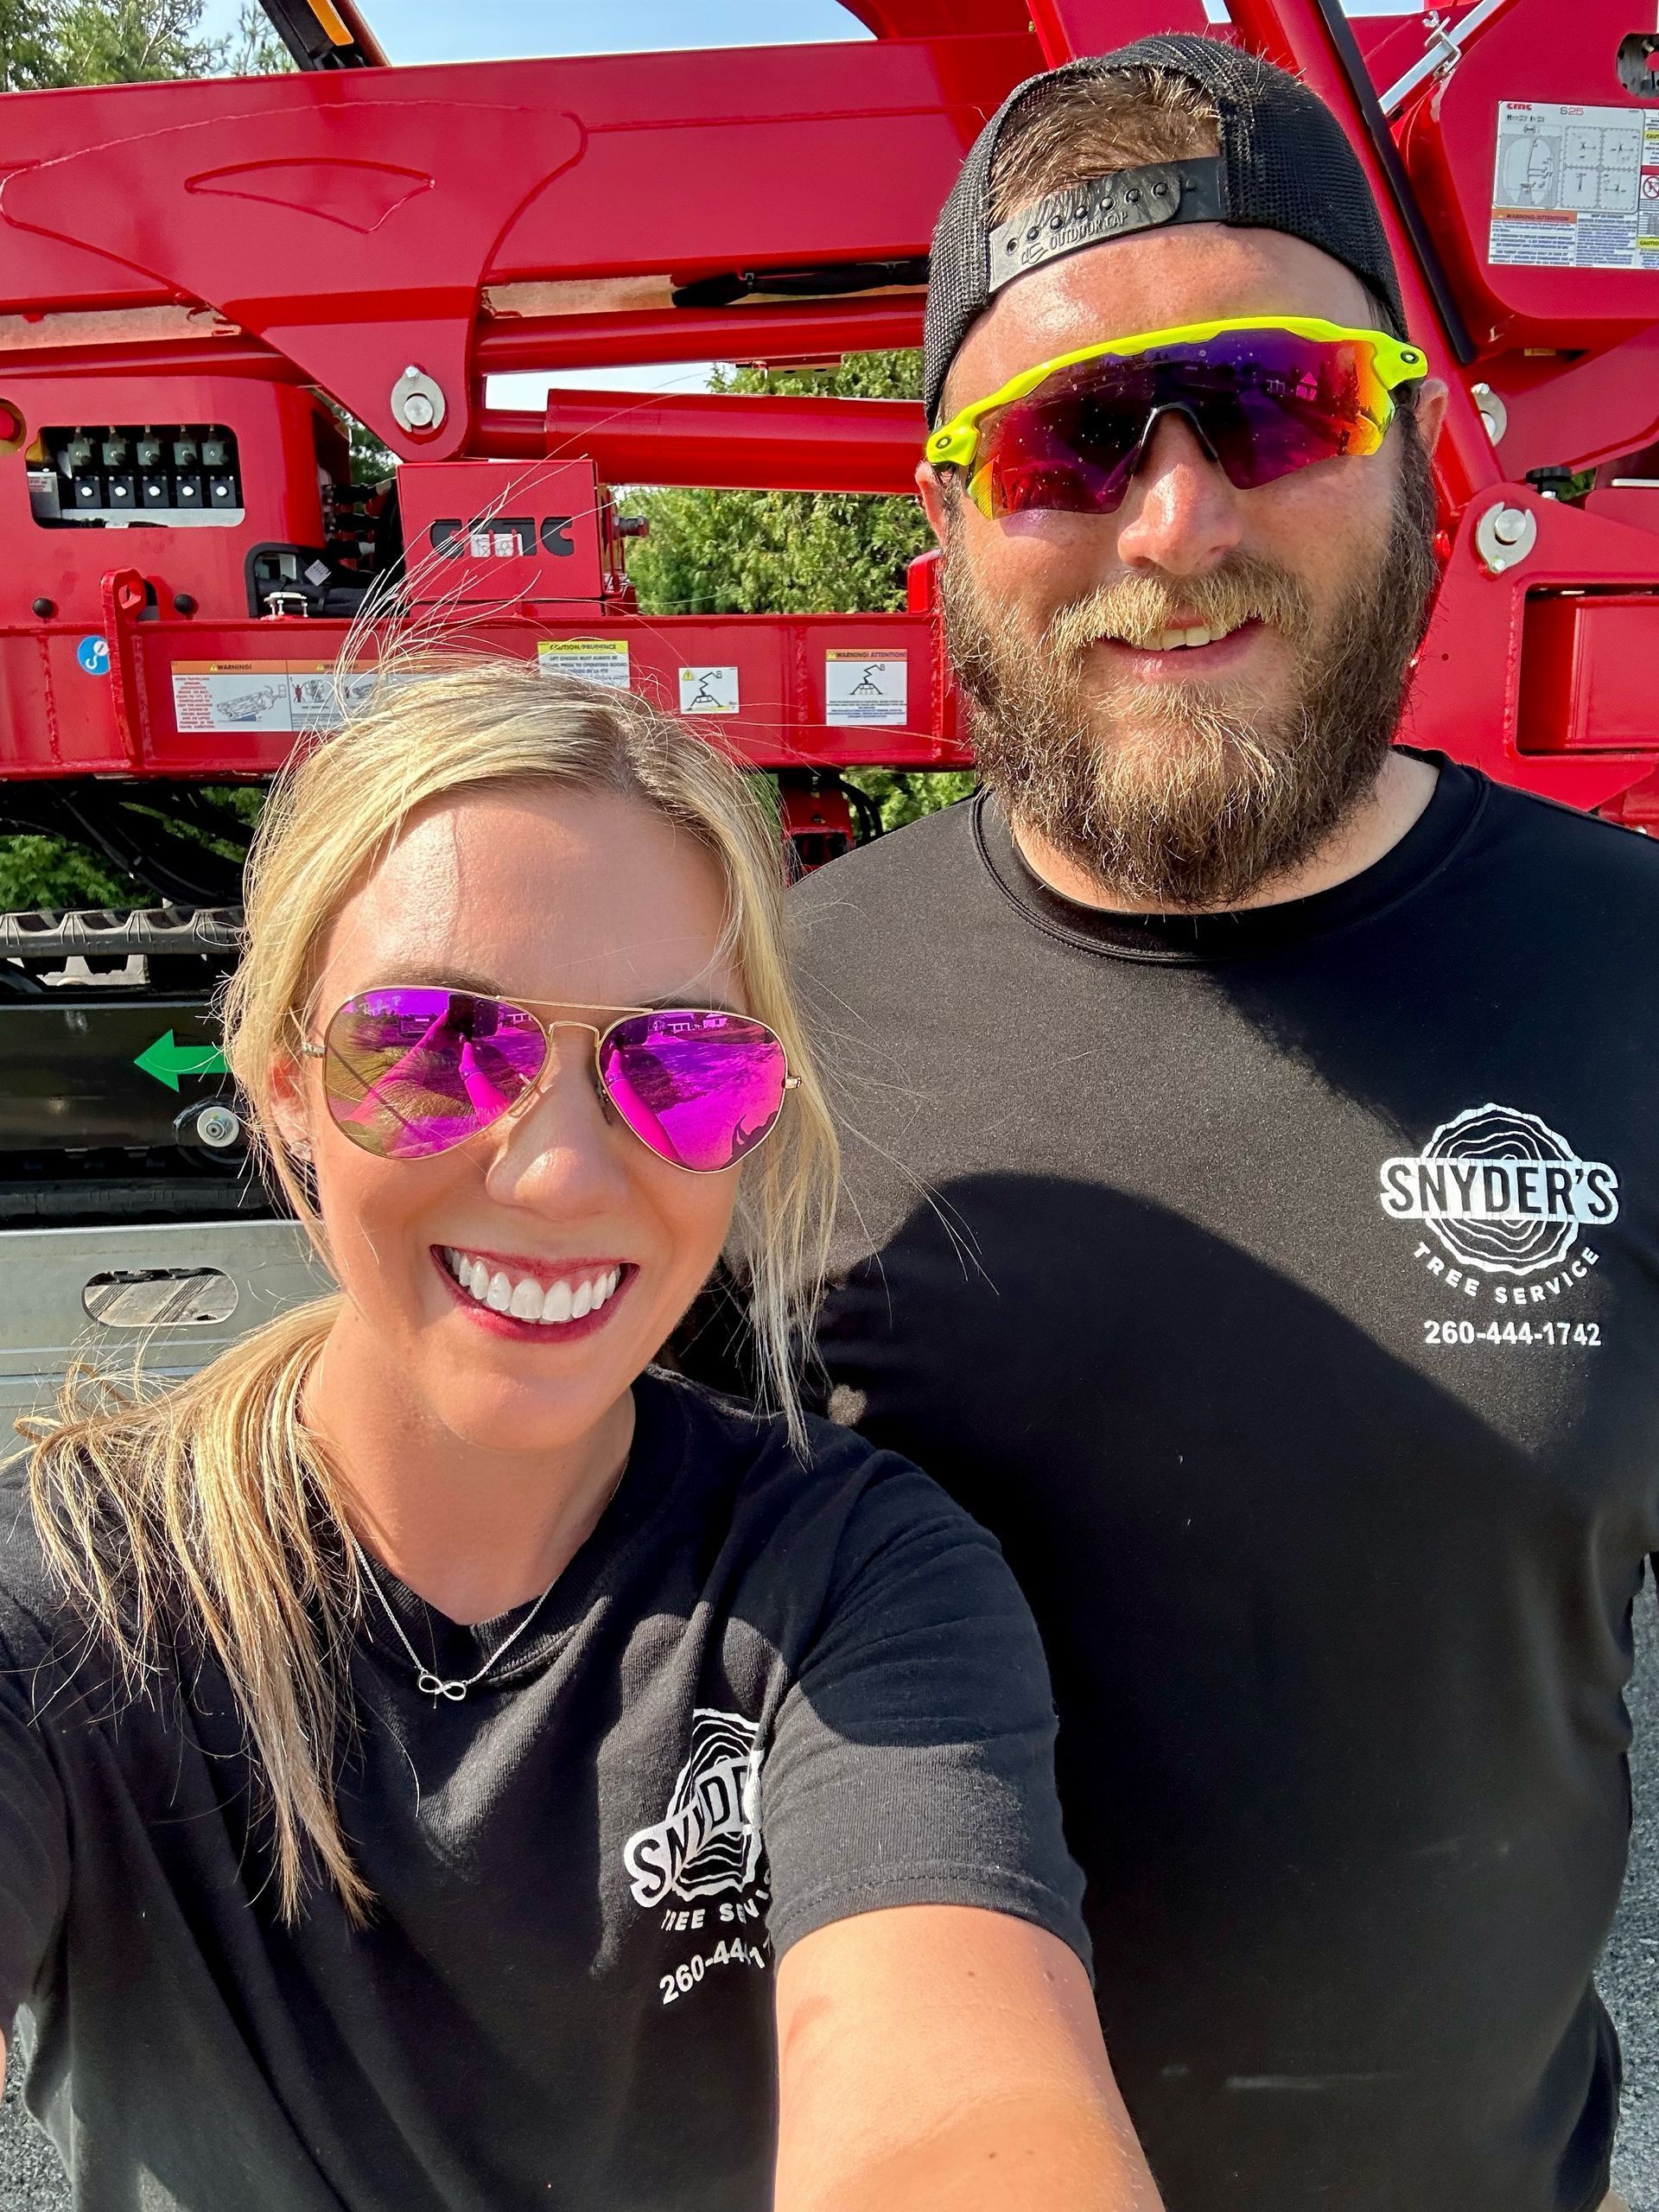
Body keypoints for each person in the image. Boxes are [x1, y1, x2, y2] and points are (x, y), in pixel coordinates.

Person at [782, 35, 1657, 2212]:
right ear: (945, 523)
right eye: (1069, 437)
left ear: (1424, 450)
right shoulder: (766, 1017)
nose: (1174, 522)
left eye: (1276, 403)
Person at [3, 661, 1162, 2212]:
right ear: (281, 1083)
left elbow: (960, 2104)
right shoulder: (67, 1603)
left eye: (678, 1064)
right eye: (429, 1043)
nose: (556, 1170)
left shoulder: (849, 1586)